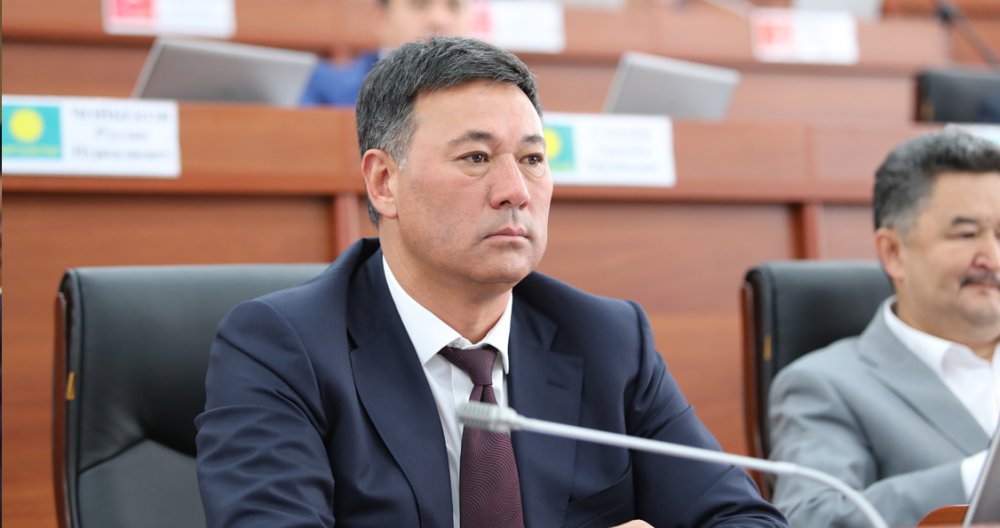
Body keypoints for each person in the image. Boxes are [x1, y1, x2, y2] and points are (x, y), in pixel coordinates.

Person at [196, 36, 786, 527]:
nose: (516, 191)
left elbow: (743, 518)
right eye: (476, 158)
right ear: (383, 183)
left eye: (532, 159)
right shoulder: (282, 348)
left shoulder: (609, 340)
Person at [768, 130, 1000, 527]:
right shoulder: (824, 385)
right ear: (893, 252)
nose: (993, 257)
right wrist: (974, 479)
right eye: (967, 234)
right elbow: (812, 517)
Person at [298, 0, 471, 106]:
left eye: (454, 5)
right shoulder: (322, 90)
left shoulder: (483, 95)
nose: (439, 19)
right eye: (419, 4)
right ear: (381, 19)